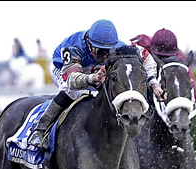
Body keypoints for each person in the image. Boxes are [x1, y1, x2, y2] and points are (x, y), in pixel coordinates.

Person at [27, 19, 163, 149]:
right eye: (100, 51)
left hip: (92, 68)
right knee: (72, 92)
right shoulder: (75, 47)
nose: (104, 56)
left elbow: (147, 58)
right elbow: (72, 80)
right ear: (89, 43)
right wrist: (92, 78)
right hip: (63, 68)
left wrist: (153, 83)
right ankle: (40, 130)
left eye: (108, 51)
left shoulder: (120, 45)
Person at [131, 28, 196, 102]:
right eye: (161, 57)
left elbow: (189, 78)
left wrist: (194, 95)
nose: (164, 60)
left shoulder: (180, 56)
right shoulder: (140, 45)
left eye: (168, 56)